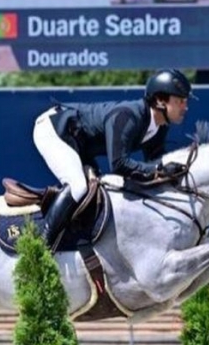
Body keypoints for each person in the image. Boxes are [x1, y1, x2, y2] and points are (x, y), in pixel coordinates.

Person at [32, 69, 195, 246]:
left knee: (98, 190)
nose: (185, 107)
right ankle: (42, 245)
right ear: (160, 101)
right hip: (54, 129)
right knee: (78, 186)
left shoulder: (159, 127)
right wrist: (158, 170)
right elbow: (119, 164)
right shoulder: (128, 115)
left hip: (80, 144)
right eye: (180, 101)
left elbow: (155, 165)